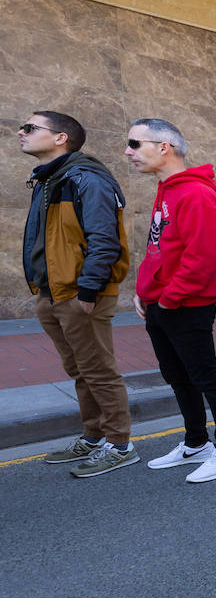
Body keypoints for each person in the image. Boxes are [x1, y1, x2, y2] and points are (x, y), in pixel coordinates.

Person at [19, 111, 137, 477]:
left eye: (30, 128)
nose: (20, 133)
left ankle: (120, 444)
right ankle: (93, 435)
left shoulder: (86, 179)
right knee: (79, 370)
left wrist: (88, 290)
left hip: (79, 293)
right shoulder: (48, 180)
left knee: (99, 370)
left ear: (60, 138)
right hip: (52, 292)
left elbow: (105, 240)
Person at [126, 118, 216, 483]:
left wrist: (168, 299)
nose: (128, 152)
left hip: (185, 305)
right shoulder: (167, 190)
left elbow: (201, 259)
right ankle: (196, 443)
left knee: (205, 376)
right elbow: (159, 248)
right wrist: (144, 292)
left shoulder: (195, 194)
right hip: (160, 304)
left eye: (135, 143)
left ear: (164, 147)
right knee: (177, 376)